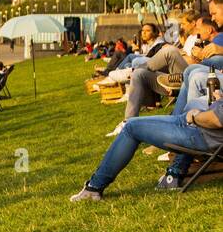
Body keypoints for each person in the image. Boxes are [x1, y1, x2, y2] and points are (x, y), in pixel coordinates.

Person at [72, 84, 223, 199]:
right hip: (196, 123)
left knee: (131, 128)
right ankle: (175, 173)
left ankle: (93, 188)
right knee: (132, 122)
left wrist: (194, 118)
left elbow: (217, 119)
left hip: (201, 133)